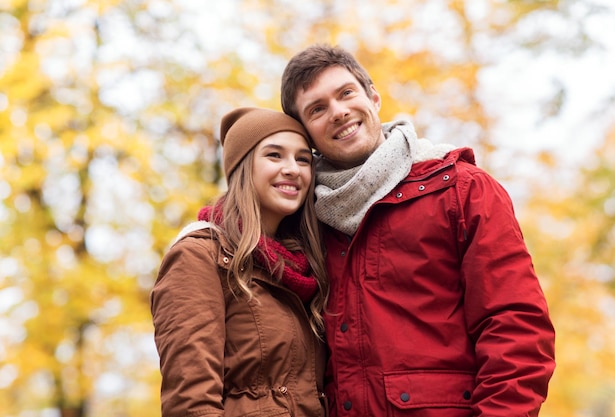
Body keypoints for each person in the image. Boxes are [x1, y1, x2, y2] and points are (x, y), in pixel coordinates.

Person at [280, 44, 556, 417]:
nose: (338, 111)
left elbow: (516, 332)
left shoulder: (462, 190)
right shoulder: (305, 219)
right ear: (306, 133)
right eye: (317, 109)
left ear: (373, 97)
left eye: (346, 93)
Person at [151, 107, 329, 417]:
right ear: (242, 167)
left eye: (303, 159)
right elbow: (190, 403)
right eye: (274, 155)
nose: (292, 169)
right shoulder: (200, 256)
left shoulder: (307, 267)